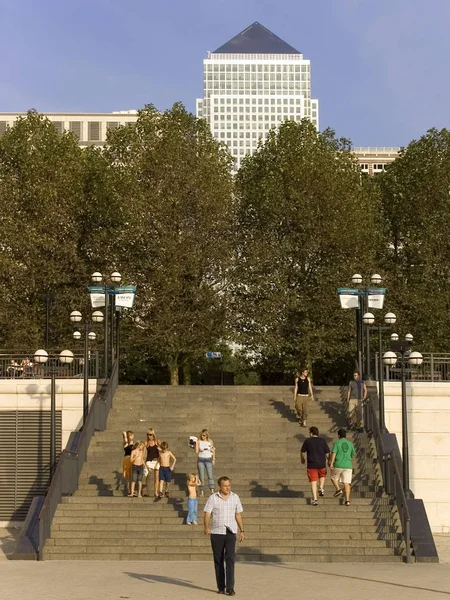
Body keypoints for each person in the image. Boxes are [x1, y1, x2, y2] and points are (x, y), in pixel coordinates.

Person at [204, 476, 244, 596]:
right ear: (220, 487)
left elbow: (238, 514)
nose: (228, 488)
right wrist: (206, 527)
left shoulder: (235, 497)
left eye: (229, 485)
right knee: (218, 560)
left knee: (230, 559)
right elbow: (207, 513)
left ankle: (230, 587)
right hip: (217, 532)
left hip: (231, 531)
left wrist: (242, 530)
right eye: (225, 486)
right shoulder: (213, 498)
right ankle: (221, 586)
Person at [301, 426, 330, 505]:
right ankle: (321, 487)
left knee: (313, 482)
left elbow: (303, 452)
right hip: (322, 463)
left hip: (312, 464)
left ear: (311, 433)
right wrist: (329, 461)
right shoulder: (323, 441)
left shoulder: (307, 441)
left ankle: (315, 499)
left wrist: (302, 459)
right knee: (322, 476)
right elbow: (327, 453)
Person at [330, 428, 356, 506]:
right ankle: (347, 500)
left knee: (333, 478)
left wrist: (331, 463)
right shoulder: (350, 443)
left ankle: (338, 489)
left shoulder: (337, 443)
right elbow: (352, 454)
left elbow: (334, 453)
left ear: (338, 435)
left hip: (338, 464)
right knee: (347, 483)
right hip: (348, 465)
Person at [196, 429, 216, 497]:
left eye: (204, 435)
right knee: (201, 476)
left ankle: (212, 490)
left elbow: (213, 450)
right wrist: (196, 444)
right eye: (202, 435)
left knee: (210, 475)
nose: (203, 437)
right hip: (201, 459)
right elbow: (196, 451)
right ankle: (202, 491)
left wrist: (213, 459)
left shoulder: (210, 441)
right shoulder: (199, 441)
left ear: (207, 435)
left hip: (208, 459)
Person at [145, 428, 161, 497]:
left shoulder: (157, 442)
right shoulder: (146, 443)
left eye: (151, 435)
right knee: (148, 476)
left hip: (156, 460)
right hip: (149, 461)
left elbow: (161, 451)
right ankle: (148, 491)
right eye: (148, 435)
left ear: (153, 435)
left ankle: (156, 492)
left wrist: (159, 460)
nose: (149, 436)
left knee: (156, 477)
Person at [122, 430, 134, 495]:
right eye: (131, 435)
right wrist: (125, 435)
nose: (132, 436)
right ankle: (129, 490)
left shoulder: (133, 444)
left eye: (132, 435)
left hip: (132, 460)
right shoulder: (126, 443)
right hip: (127, 459)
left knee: (132, 476)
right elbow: (125, 441)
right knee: (128, 476)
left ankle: (132, 490)